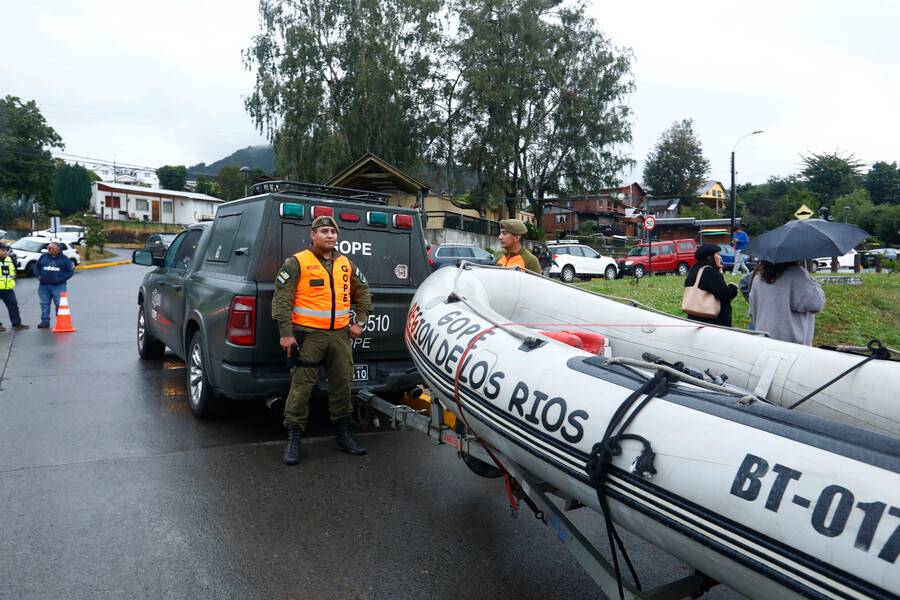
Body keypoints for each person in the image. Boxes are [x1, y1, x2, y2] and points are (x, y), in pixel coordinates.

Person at [272, 215, 373, 465]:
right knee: (301, 387)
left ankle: (343, 435)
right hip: (309, 337)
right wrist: (286, 333)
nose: (330, 236)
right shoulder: (297, 262)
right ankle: (294, 437)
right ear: (313, 235)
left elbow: (363, 291)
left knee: (342, 384)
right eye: (324, 231)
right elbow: (282, 300)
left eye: (333, 232)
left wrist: (360, 322)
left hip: (340, 336)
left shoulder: (345, 263)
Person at [748, 261, 825, 345]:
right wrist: (810, 280)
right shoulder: (796, 273)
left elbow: (752, 310)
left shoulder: (759, 276)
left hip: (764, 340)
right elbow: (816, 303)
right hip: (792, 345)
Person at [683, 244, 738, 327]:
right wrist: (733, 287)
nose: (720, 257)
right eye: (718, 254)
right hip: (712, 322)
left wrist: (719, 271)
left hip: (695, 318)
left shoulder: (694, 270)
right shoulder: (709, 272)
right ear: (709, 257)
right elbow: (725, 294)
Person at [36, 242, 75, 329]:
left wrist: (61, 279)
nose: (49, 250)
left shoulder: (64, 259)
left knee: (59, 304)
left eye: (52, 248)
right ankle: (45, 321)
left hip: (59, 286)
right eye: (49, 248)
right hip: (44, 286)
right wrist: (39, 276)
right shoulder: (43, 257)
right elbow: (37, 267)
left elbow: (70, 272)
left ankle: (60, 321)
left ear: (58, 249)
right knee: (44, 304)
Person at [0, 243, 29, 331]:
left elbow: (12, 272)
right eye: (3, 250)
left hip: (8, 288)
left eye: (6, 250)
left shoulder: (8, 259)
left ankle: (16, 323)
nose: (5, 252)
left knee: (13, 305)